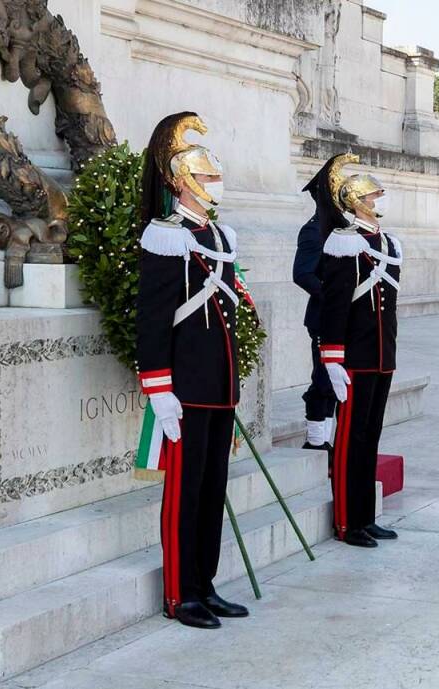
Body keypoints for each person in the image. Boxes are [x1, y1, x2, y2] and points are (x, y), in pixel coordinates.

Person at [136, 112, 249, 629]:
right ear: (181, 182)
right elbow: (155, 319)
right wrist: (159, 389)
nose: (213, 185)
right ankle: (181, 595)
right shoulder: (165, 237)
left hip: (219, 388)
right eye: (205, 177)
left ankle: (205, 583)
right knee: (184, 495)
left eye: (214, 177)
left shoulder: (220, 237)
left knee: (210, 491)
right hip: (185, 389)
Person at [318, 153, 401, 548]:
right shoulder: (345, 244)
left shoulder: (386, 243)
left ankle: (366, 517)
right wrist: (333, 358)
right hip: (355, 359)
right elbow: (334, 306)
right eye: (374, 195)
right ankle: (348, 521)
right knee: (350, 441)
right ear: (357, 202)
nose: (380, 199)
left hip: (382, 357)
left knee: (370, 438)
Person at [295, 157, 351, 460]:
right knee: (324, 380)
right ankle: (317, 440)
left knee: (342, 379)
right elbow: (302, 273)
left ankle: (332, 440)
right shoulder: (314, 231)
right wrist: (334, 296)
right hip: (323, 318)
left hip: (346, 319)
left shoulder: (343, 229)